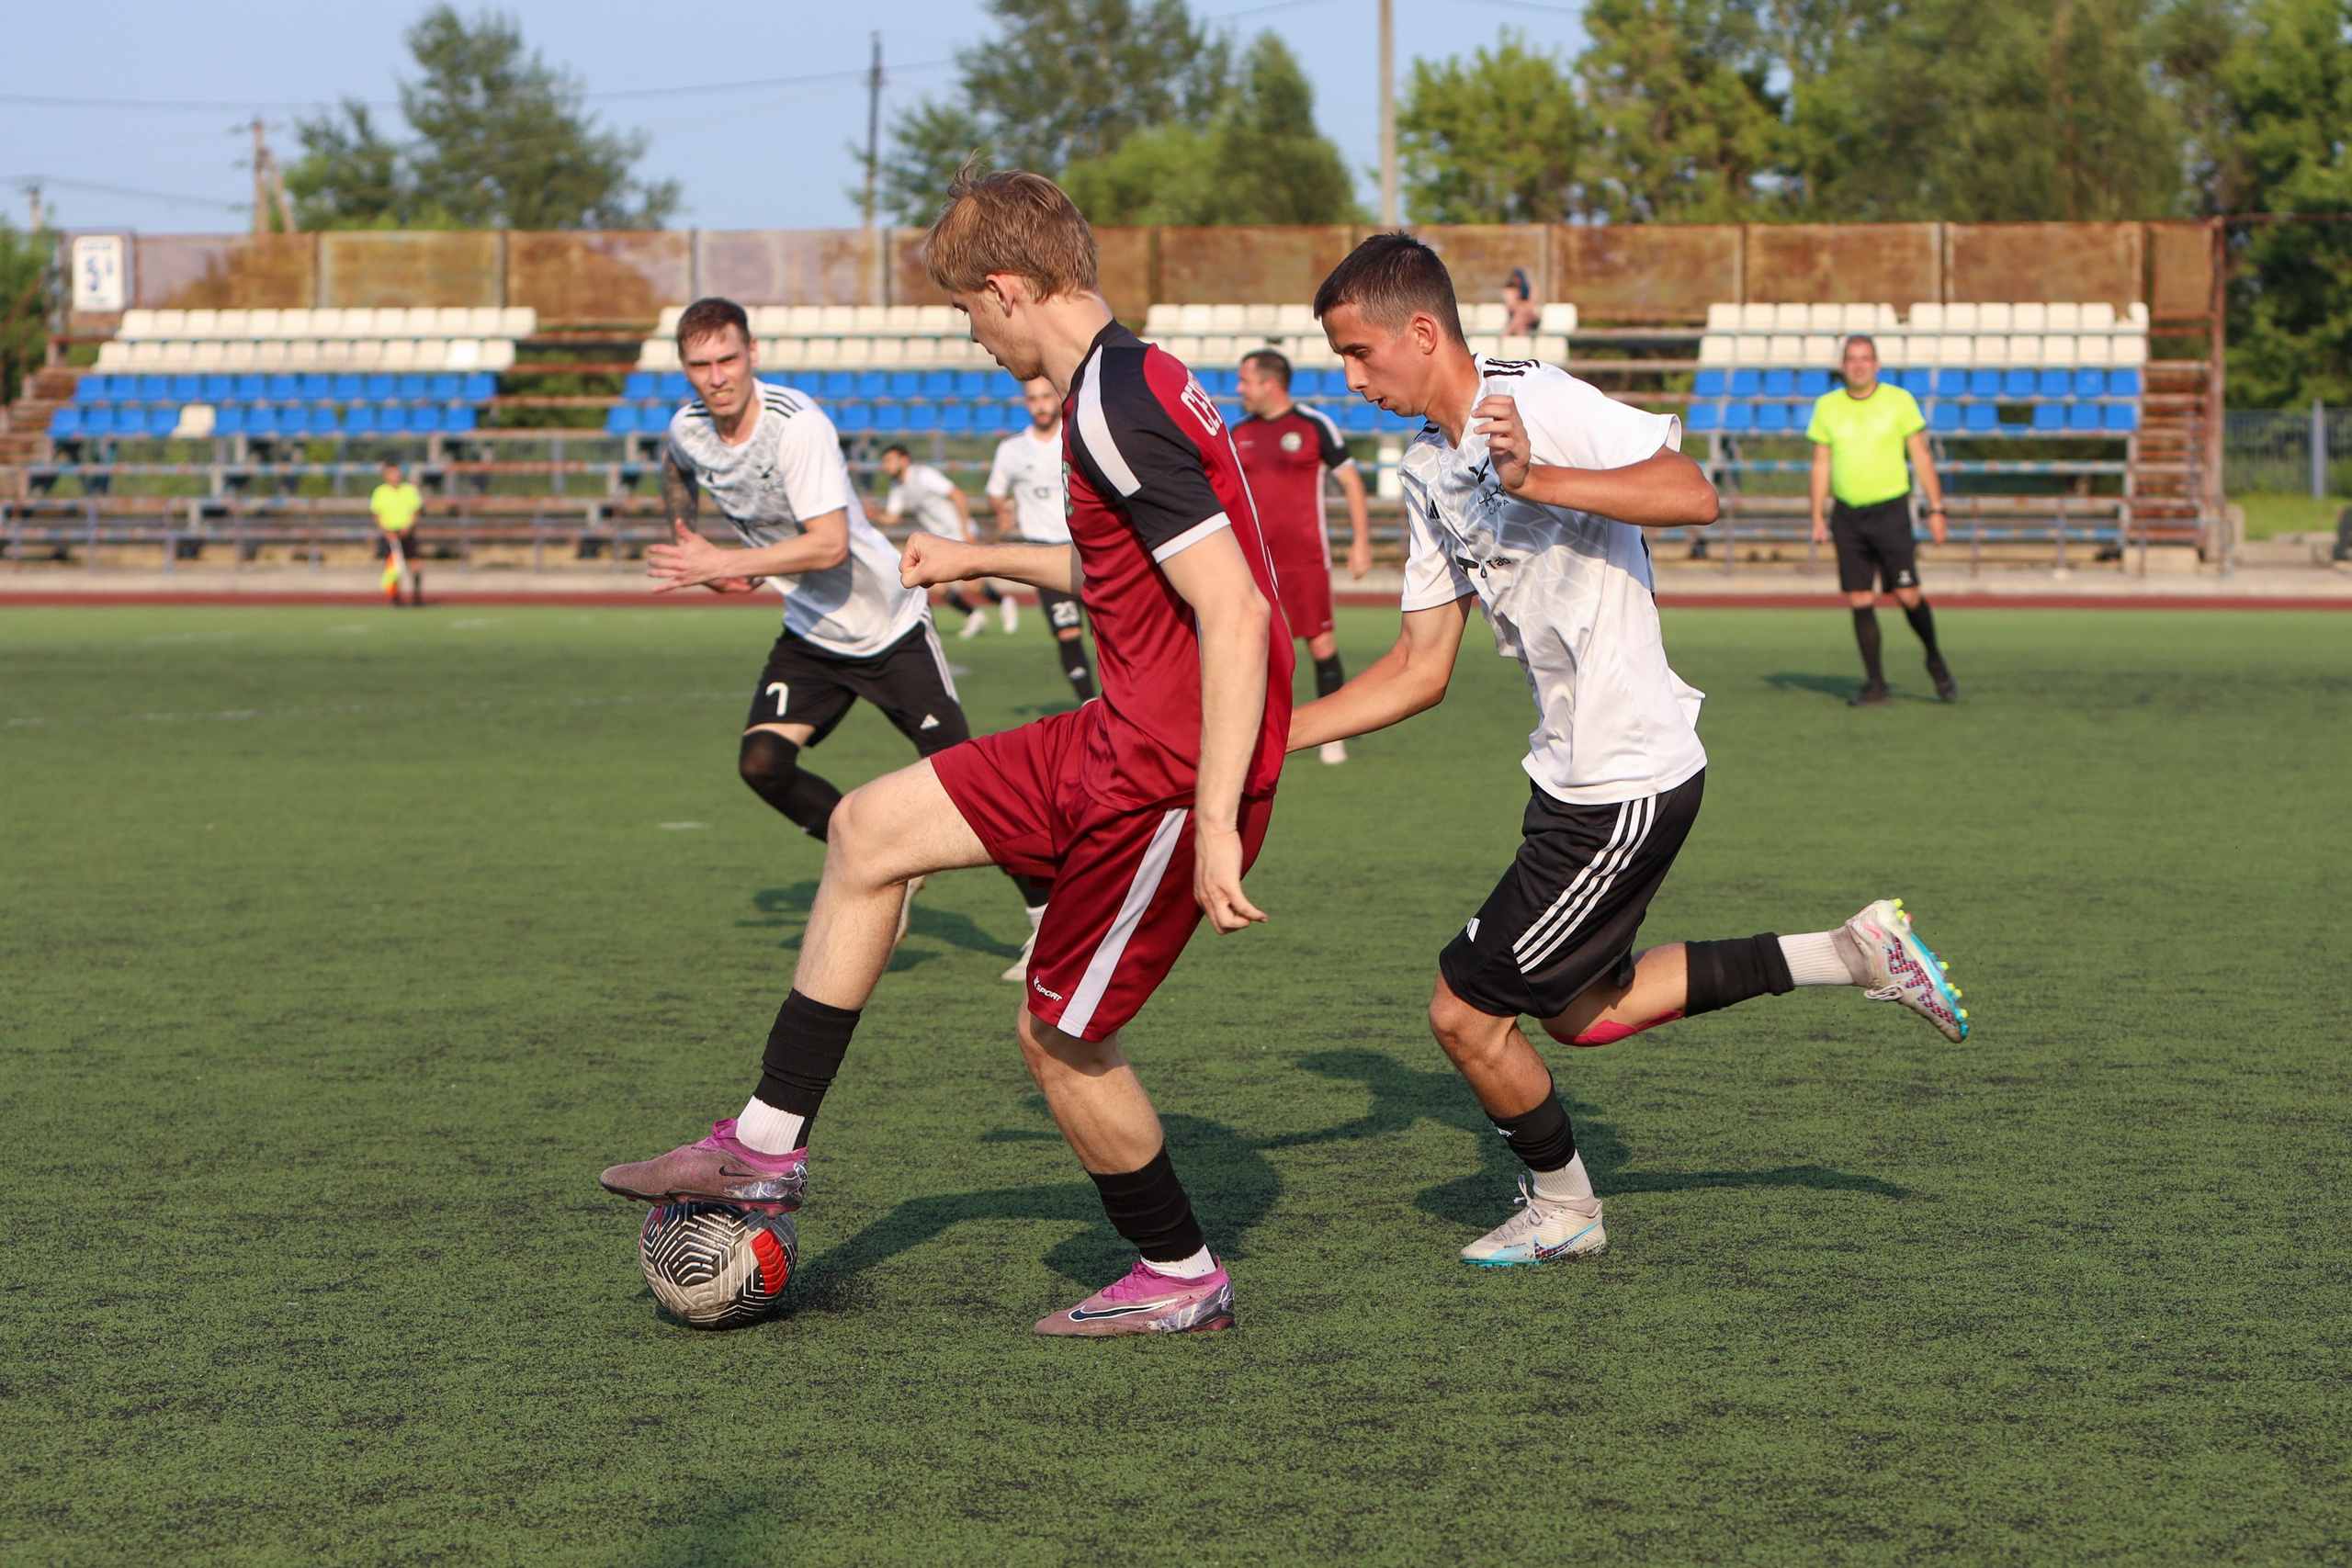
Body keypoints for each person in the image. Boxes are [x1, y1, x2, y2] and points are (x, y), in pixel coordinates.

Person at [601, 170, 1294, 1337]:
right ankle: (762, 1151)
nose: (971, 337)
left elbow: (1234, 610)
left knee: (1060, 1038)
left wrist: (1218, 816)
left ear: (1010, 289)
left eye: (968, 311)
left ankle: (1181, 1275)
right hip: (1113, 732)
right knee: (869, 830)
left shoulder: (1116, 399)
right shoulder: (1122, 384)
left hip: (1168, 771)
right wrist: (981, 554)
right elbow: (1133, 572)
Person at [1290, 233, 1970, 1269]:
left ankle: (1565, 1208)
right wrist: (1266, 741)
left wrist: (1538, 474)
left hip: (1626, 776)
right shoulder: (1428, 469)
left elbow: (1692, 492)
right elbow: (1421, 669)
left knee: (1465, 1016)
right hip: (1570, 773)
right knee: (1579, 1013)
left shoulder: (1537, 398)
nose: (1348, 379)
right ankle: (1849, 952)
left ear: (1421, 333)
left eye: (1357, 352)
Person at [1231, 348, 1371, 764]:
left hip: (1305, 557)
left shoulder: (1313, 426)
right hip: (1253, 562)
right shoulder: (1237, 433)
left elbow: (1351, 482)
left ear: (1268, 384)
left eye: (1245, 381)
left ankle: (1330, 734)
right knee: (1249, 644)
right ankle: (1252, 733)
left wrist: (1359, 542)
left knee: (1321, 642)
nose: (1239, 389)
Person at [1807, 335, 1958, 705]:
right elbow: (1821, 462)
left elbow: (1921, 456)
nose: (1858, 365)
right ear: (1843, 365)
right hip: (1847, 514)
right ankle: (1876, 684)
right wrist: (1816, 515)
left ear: (1876, 364)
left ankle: (1934, 658)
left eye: (1865, 358)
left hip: (1890, 511)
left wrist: (1937, 509)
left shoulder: (1898, 401)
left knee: (1907, 593)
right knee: (1860, 597)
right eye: (1852, 359)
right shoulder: (1828, 406)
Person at [986, 375, 1097, 709]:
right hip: (1045, 553)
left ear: (1057, 397)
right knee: (1067, 632)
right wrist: (1002, 511)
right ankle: (1090, 703)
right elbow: (995, 492)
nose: (1041, 405)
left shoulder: (1077, 436)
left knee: (1108, 630)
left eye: (1046, 396)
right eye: (1033, 399)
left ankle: (1125, 700)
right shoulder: (1012, 449)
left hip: (1087, 548)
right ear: (1026, 403)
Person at [881, 442, 1014, 640]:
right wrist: (873, 515)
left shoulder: (923, 475)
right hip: (938, 538)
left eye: (890, 460)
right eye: (884, 461)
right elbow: (892, 517)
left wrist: (966, 529)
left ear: (904, 460)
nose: (886, 465)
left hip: (957, 531)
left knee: (969, 583)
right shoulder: (897, 486)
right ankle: (973, 615)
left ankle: (1003, 602)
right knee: (933, 582)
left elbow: (957, 495)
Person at [369, 460, 423, 607]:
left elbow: (415, 512)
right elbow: (377, 514)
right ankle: (395, 599)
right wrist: (387, 531)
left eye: (396, 472)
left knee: (415, 565)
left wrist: (408, 527)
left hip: (406, 532)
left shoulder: (409, 490)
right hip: (389, 533)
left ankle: (416, 597)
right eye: (391, 473)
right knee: (393, 568)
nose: (394, 476)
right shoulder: (380, 492)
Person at [1500, 267, 1543, 339]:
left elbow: (1532, 304)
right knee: (1521, 324)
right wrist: (1524, 304)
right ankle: (1519, 345)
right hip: (1517, 318)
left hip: (1532, 318)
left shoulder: (1531, 287)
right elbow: (1511, 306)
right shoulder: (1510, 290)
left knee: (1521, 312)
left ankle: (1507, 332)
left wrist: (1519, 304)